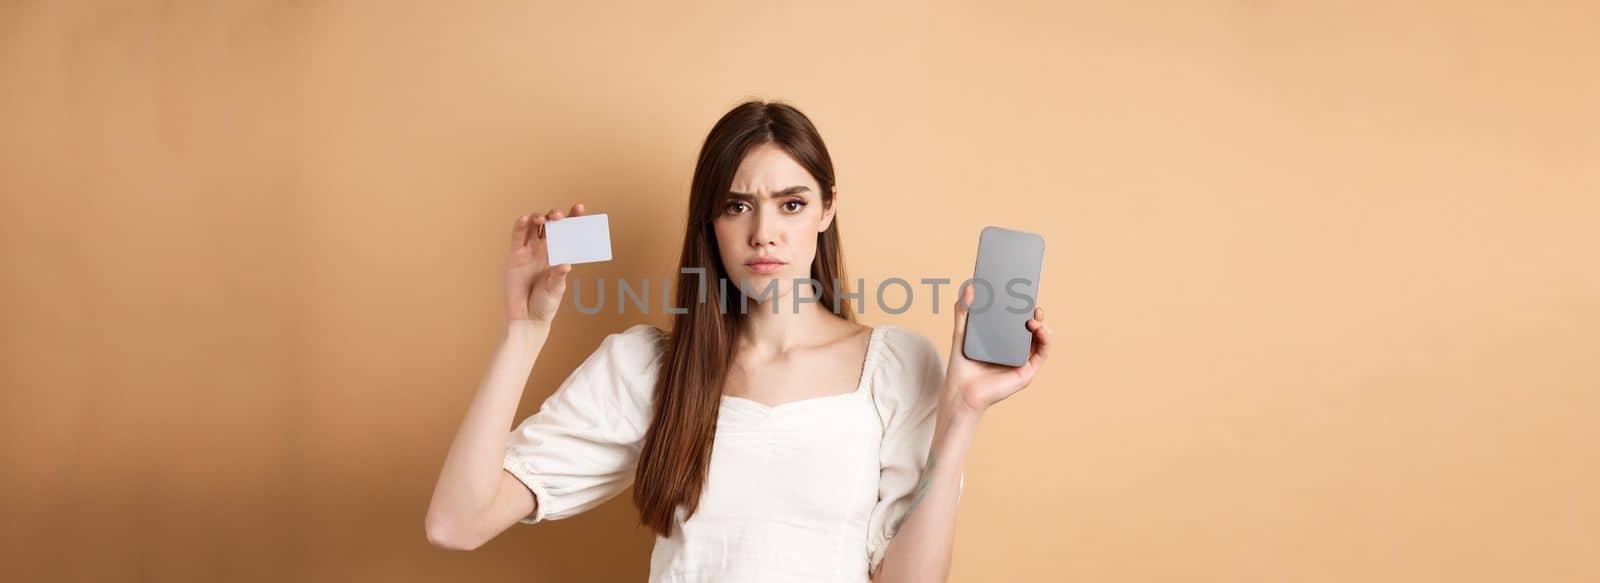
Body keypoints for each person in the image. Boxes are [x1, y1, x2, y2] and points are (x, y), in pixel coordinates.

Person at [425, 100, 1052, 582]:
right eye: (736, 206)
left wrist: (960, 413)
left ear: (827, 210)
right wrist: (523, 331)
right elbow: (457, 523)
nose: (763, 234)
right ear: (710, 220)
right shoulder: (647, 369)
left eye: (791, 203)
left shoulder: (897, 367)